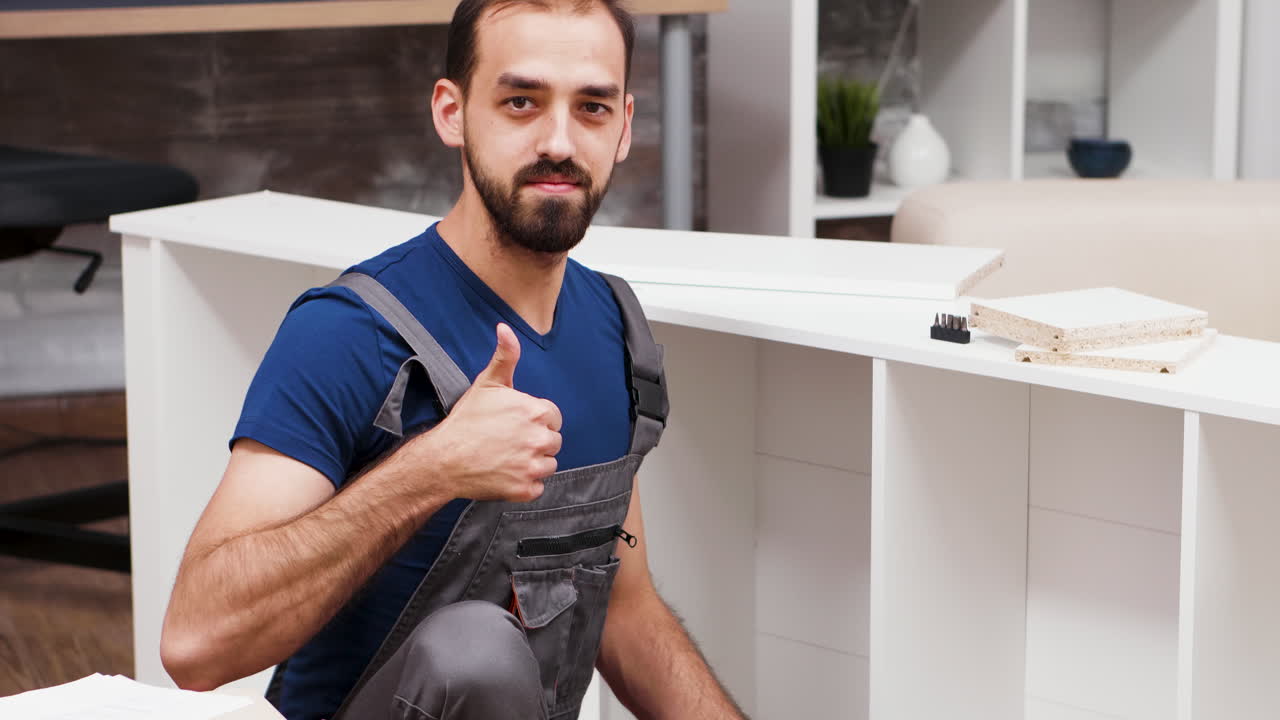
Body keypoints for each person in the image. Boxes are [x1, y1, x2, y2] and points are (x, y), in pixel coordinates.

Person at [158, 1, 748, 719]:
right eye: (521, 102)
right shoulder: (349, 333)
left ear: (623, 127)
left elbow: (626, 611)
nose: (559, 141)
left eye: (591, 108)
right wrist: (431, 468)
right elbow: (194, 642)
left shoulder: (615, 332)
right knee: (475, 652)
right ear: (452, 111)